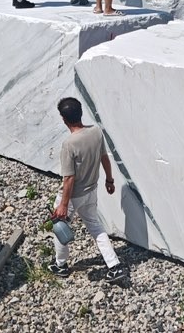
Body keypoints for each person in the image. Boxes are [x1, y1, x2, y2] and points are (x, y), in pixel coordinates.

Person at [49, 97, 129, 283]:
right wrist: (109, 179)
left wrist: (63, 205)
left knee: (60, 227)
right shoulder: (96, 132)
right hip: (91, 191)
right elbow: (104, 157)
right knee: (95, 226)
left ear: (63, 119)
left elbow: (69, 178)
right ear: (81, 113)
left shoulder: (69, 144)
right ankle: (114, 265)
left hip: (72, 196)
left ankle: (60, 265)